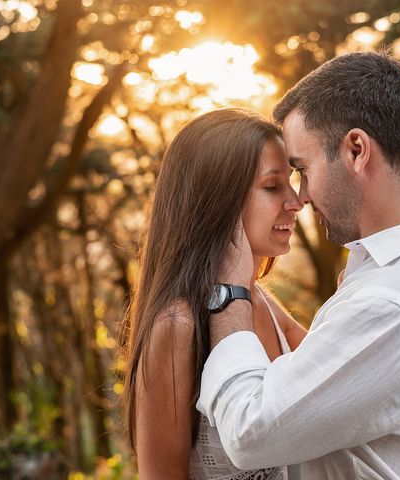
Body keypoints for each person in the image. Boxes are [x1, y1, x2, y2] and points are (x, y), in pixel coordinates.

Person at [197, 51, 400, 479]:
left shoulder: (397, 304)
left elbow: (249, 433)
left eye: (303, 169)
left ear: (356, 150)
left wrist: (230, 292)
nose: (303, 196)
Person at [121, 108, 307, 479]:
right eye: (272, 187)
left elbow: (340, 378)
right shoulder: (177, 326)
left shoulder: (266, 306)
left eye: (291, 181)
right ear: (219, 200)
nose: (296, 201)